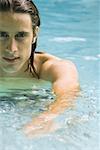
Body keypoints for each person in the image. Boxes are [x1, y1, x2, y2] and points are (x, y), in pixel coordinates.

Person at [0, 0, 79, 137]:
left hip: (37, 106)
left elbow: (68, 96)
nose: (11, 49)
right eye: (2, 35)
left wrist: (46, 117)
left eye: (21, 35)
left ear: (34, 35)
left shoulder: (54, 68)